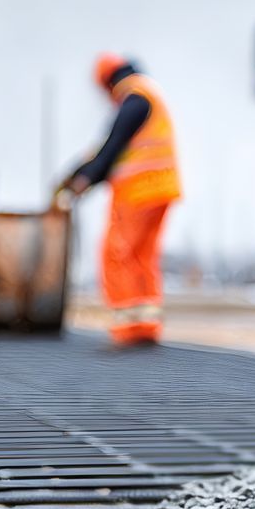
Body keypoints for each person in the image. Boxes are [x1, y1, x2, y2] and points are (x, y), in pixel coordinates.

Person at [60, 53, 180, 346]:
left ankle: (127, 328)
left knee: (117, 254)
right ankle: (145, 325)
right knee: (142, 256)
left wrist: (85, 180)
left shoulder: (134, 97)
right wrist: (79, 172)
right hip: (162, 188)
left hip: (138, 191)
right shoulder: (147, 94)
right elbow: (105, 149)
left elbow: (112, 147)